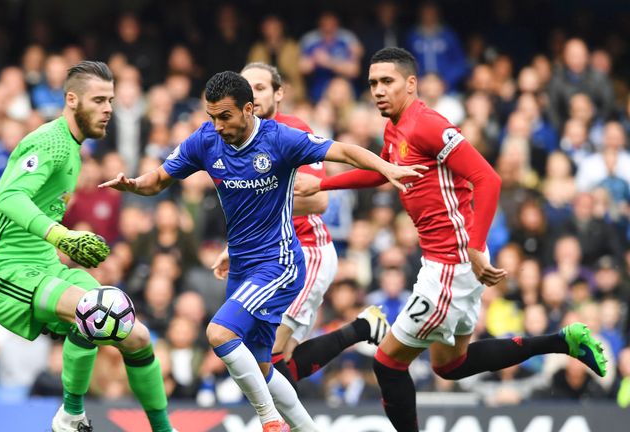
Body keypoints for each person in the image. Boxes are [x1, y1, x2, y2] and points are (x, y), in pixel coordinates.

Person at [294, 47, 608, 432]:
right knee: (450, 364)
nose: (378, 90)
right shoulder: (395, 126)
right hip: (446, 259)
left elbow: (488, 179)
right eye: (373, 82)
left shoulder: (426, 124)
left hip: (453, 261)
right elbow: (384, 171)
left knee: (388, 363)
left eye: (387, 81)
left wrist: (474, 248)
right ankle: (564, 342)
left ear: (411, 84)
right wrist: (324, 183)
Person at [100, 71, 425, 432]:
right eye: (212, 117)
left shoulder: (279, 139)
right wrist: (134, 185)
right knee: (262, 367)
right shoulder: (206, 140)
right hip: (241, 266)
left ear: (249, 109)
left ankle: (269, 421)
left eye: (226, 116)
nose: (218, 125)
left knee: (220, 334)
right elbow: (159, 179)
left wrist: (387, 166)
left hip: (279, 263)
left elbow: (343, 151)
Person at [0, 61, 173, 432]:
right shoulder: (48, 141)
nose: (108, 108)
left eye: (111, 100)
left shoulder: (74, 148)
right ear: (71, 99)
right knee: (92, 309)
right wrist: (61, 236)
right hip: (4, 269)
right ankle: (71, 413)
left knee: (136, 335)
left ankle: (163, 429)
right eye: (99, 100)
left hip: (45, 266)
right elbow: (9, 198)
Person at [229, 62, 389, 393]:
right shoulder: (237, 139)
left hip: (306, 252)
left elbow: (318, 202)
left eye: (260, 88)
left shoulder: (293, 132)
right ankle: (362, 328)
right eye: (247, 89)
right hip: (273, 259)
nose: (253, 96)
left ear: (279, 93)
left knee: (262, 358)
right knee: (276, 363)